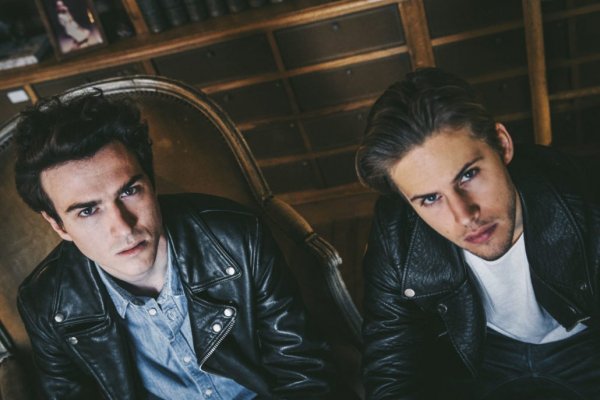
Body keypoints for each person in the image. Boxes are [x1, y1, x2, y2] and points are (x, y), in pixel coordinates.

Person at [14, 91, 333, 399]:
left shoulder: (237, 237)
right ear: (58, 225)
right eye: (87, 211)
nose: (123, 227)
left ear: (152, 184)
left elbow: (301, 369)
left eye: (129, 192)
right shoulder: (45, 303)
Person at [355, 67, 600, 399]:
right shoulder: (396, 232)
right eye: (430, 199)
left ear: (502, 145)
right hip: (478, 354)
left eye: (468, 175)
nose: (464, 216)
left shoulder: (587, 197)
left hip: (585, 344)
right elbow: (390, 360)